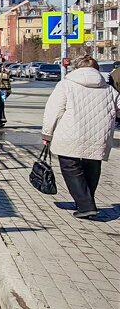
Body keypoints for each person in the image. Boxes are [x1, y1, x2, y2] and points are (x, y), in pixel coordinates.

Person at [40, 56, 120, 219]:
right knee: (92, 166)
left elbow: (53, 111)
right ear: (97, 70)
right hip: (99, 136)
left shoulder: (65, 85)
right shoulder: (109, 89)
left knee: (71, 167)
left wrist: (47, 134)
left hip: (70, 134)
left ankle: (85, 205)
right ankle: (85, 202)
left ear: (76, 69)